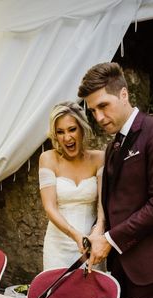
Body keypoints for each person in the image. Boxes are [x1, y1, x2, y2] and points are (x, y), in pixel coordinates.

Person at [78, 63, 153, 298]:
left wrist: (110, 239)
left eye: (103, 106)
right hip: (121, 259)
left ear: (124, 94)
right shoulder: (112, 146)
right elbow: (112, 200)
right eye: (93, 110)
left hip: (151, 262)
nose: (98, 117)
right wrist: (99, 230)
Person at [39, 101, 105, 270]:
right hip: (57, 246)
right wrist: (75, 235)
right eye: (60, 132)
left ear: (82, 128)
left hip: (90, 243)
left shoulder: (99, 159)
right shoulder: (48, 159)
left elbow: (102, 204)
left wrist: (98, 231)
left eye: (72, 129)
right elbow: (49, 207)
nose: (67, 137)